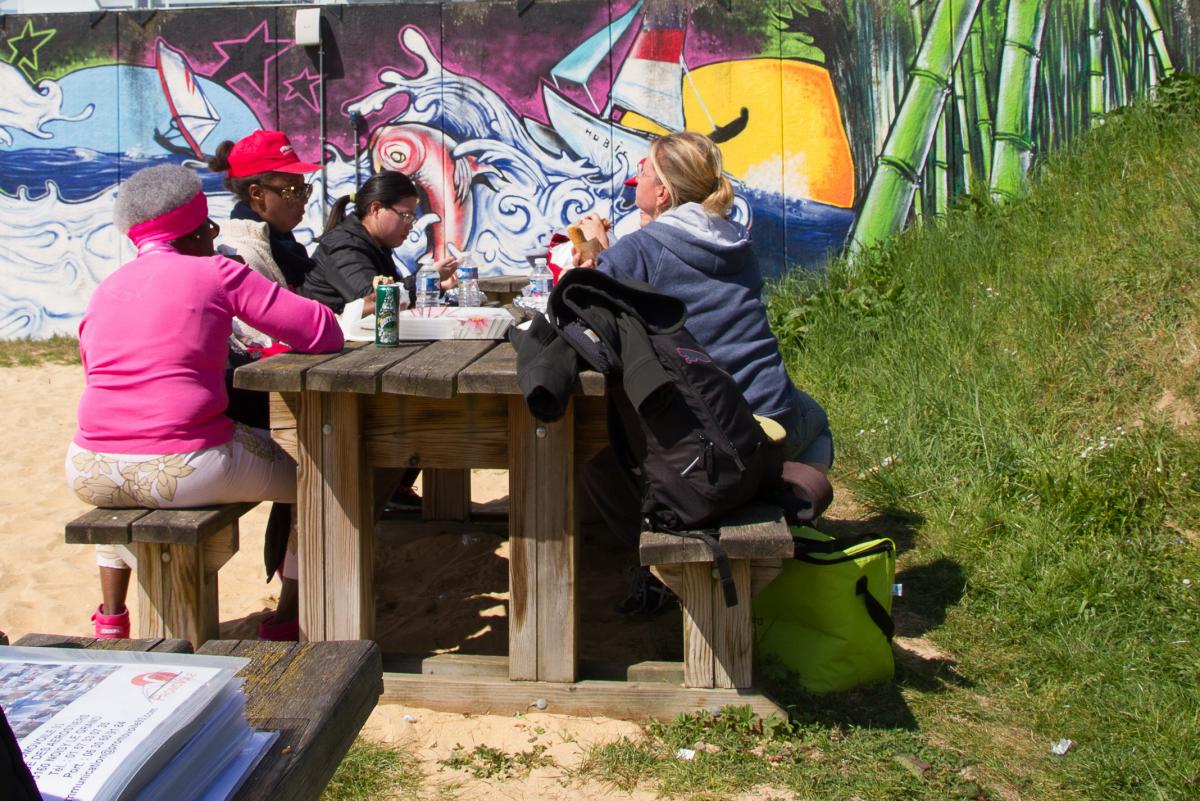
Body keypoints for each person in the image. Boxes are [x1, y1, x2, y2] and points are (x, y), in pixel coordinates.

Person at [65, 164, 344, 640]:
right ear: (194, 231)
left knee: (125, 480)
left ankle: (111, 620)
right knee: (315, 480)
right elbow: (322, 331)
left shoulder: (107, 288)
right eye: (209, 228)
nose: (214, 238)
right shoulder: (216, 272)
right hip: (186, 466)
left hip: (88, 467)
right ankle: (288, 616)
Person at [574, 131, 833, 614]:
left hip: (716, 436)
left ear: (662, 193)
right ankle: (792, 508)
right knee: (816, 420)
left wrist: (597, 248)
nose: (636, 177)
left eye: (645, 170)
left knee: (595, 464)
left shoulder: (641, 249)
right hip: (776, 413)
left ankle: (661, 568)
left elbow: (581, 302)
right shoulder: (736, 239)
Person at [303, 171, 459, 314]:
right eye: (406, 216)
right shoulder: (344, 247)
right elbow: (375, 301)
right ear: (376, 209)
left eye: (412, 218)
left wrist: (436, 286)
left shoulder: (375, 244)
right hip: (333, 336)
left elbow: (397, 295)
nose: (410, 226)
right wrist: (426, 279)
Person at [207, 129, 321, 292]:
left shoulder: (282, 244)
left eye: (304, 188)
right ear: (257, 193)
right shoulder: (245, 258)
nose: (304, 199)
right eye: (293, 191)